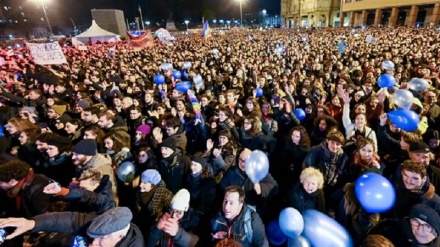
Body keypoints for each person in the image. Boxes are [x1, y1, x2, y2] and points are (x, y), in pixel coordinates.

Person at [0, 207, 144, 247]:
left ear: (119, 236)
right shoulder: (103, 223)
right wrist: (31, 223)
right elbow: (70, 220)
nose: (93, 243)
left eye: (100, 240)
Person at [220, 148, 278, 216]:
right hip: (233, 208)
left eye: (246, 161)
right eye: (240, 159)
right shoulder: (232, 171)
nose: (242, 163)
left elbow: (275, 187)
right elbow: (222, 188)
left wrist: (261, 188)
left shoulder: (260, 170)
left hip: (253, 209)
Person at [368, 203, 440, 247]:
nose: (419, 229)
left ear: (436, 233)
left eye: (427, 226)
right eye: (416, 221)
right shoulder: (388, 230)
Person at [135, 169, 173, 236]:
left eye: (144, 183)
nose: (140, 185)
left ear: (152, 185)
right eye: (141, 181)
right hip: (142, 223)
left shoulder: (165, 194)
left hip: (155, 226)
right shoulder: (139, 192)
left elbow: (170, 212)